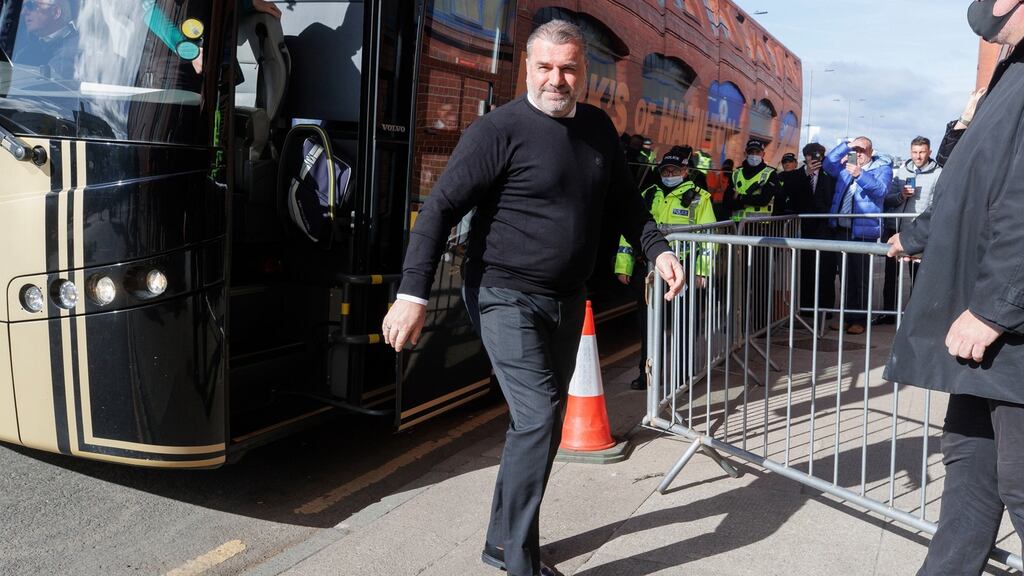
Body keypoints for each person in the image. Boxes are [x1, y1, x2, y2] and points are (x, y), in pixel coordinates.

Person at [380, 19, 684, 576]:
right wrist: (412, 293)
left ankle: (500, 541)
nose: (556, 79)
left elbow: (626, 204)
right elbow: (440, 208)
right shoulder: (498, 130)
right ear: (527, 68)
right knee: (539, 417)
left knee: (537, 422)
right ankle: (520, 561)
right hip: (502, 292)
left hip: (567, 298)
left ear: (583, 70)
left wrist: (657, 249)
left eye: (567, 68)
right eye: (544, 67)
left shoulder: (598, 129)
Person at [886, 2, 1024, 574]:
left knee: (1018, 478)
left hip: (1004, 327)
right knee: (968, 464)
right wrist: (917, 234)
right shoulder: (1012, 69)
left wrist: (994, 309)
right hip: (987, 330)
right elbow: (971, 179)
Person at [615, 146, 716, 390]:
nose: (669, 174)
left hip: (683, 269)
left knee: (684, 323)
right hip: (650, 268)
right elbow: (630, 232)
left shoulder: (700, 198)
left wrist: (701, 271)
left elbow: (709, 238)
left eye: (674, 170)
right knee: (648, 325)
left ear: (685, 171)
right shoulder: (648, 194)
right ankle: (647, 374)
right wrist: (624, 265)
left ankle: (683, 374)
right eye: (665, 170)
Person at [822, 136, 893, 334]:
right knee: (845, 277)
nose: (858, 154)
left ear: (871, 152)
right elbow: (827, 164)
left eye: (862, 150)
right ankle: (846, 317)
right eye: (856, 150)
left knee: (861, 278)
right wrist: (846, 146)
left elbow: (881, 191)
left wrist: (860, 174)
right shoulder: (845, 167)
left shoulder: (882, 169)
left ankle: (860, 319)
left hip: (863, 232)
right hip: (842, 229)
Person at [878, 136, 941, 324]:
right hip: (896, 230)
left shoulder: (939, 173)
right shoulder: (901, 171)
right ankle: (888, 314)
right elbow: (888, 199)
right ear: (910, 152)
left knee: (919, 278)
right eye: (915, 152)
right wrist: (901, 196)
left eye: (922, 152)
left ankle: (915, 319)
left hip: (919, 234)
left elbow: (938, 204)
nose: (918, 156)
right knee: (891, 277)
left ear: (929, 152)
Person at [796, 143, 838, 313]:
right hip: (804, 227)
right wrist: (806, 174)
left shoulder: (830, 174)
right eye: (811, 155)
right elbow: (791, 192)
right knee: (806, 268)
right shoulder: (799, 174)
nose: (815, 158)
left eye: (818, 155)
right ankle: (806, 306)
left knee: (826, 269)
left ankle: (825, 308)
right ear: (805, 156)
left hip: (825, 227)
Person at [12, 0, 78, 79]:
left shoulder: (77, 47)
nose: (23, 12)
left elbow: (53, 81)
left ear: (56, 12)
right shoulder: (24, 52)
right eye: (23, 7)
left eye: (30, 5)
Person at [725, 140, 780, 222]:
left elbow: (763, 200)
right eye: (751, 152)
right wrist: (747, 202)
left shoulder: (770, 174)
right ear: (745, 154)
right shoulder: (736, 173)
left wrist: (739, 197)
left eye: (757, 152)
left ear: (763, 154)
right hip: (737, 224)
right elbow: (726, 202)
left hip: (760, 225)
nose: (754, 155)